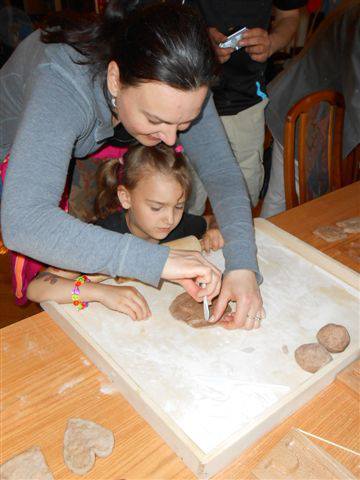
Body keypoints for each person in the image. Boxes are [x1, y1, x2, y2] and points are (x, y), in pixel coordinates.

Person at [0, 1, 264, 330]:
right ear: (115, 80)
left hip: (95, 128)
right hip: (16, 143)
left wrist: (242, 265)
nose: (171, 140)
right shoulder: (60, 84)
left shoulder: (182, 81)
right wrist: (156, 260)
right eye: (156, 120)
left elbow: (222, 172)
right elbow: (24, 222)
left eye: (183, 124)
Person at [27, 143, 229, 321]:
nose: (170, 219)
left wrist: (214, 229)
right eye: (157, 208)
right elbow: (36, 287)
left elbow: (212, 219)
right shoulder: (102, 235)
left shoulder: (180, 224)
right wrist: (102, 292)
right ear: (125, 197)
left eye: (178, 206)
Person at [186, 0, 306, 210]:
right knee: (184, 205)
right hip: (186, 96)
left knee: (243, 201)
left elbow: (289, 16)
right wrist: (197, 42)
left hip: (246, 100)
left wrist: (271, 42)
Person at [261, 0, 360, 217]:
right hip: (302, 107)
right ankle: (263, 248)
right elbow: (357, 91)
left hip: (320, 111)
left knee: (290, 196)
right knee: (286, 196)